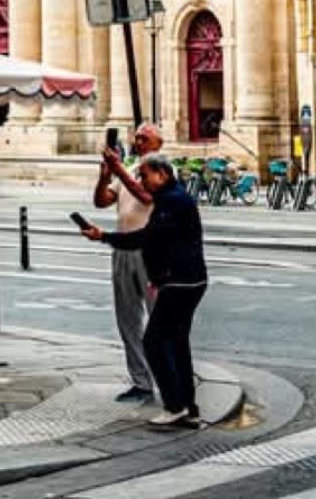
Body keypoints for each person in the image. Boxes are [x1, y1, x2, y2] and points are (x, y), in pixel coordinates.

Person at [83, 154, 207, 427]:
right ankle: (189, 406)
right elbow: (162, 241)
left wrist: (103, 236)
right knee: (177, 343)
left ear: (162, 175)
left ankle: (175, 405)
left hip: (180, 282)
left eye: (145, 175)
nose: (141, 180)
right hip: (188, 280)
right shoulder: (174, 196)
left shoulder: (171, 200)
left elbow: (145, 238)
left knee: (154, 341)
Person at [93, 122, 164, 403]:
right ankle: (141, 381)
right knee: (127, 320)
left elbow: (146, 196)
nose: (139, 142)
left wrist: (119, 170)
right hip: (122, 247)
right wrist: (105, 176)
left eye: (144, 138)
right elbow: (102, 201)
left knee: (159, 320)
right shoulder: (132, 169)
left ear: (159, 142)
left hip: (150, 251)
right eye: (136, 138)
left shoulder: (161, 168)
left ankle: (167, 378)